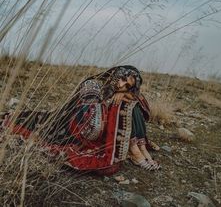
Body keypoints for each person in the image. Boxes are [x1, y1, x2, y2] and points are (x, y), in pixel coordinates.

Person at [1, 65, 160, 174]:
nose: (122, 84)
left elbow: (140, 98)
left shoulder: (120, 92)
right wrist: (114, 102)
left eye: (127, 85)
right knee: (122, 105)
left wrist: (125, 95)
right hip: (72, 126)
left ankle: (138, 148)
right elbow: (88, 121)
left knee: (131, 103)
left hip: (97, 125)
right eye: (123, 78)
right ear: (117, 73)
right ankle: (135, 151)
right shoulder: (93, 83)